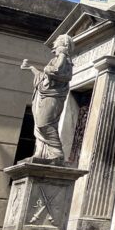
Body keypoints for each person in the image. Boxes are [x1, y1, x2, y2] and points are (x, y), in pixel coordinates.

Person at [20, 34, 74, 164]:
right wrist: (31, 68)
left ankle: (57, 152)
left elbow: (57, 71)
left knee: (43, 123)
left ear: (63, 45)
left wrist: (60, 56)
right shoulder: (54, 60)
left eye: (57, 42)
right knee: (38, 127)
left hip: (54, 95)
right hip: (46, 95)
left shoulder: (64, 59)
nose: (54, 44)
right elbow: (44, 77)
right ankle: (41, 152)